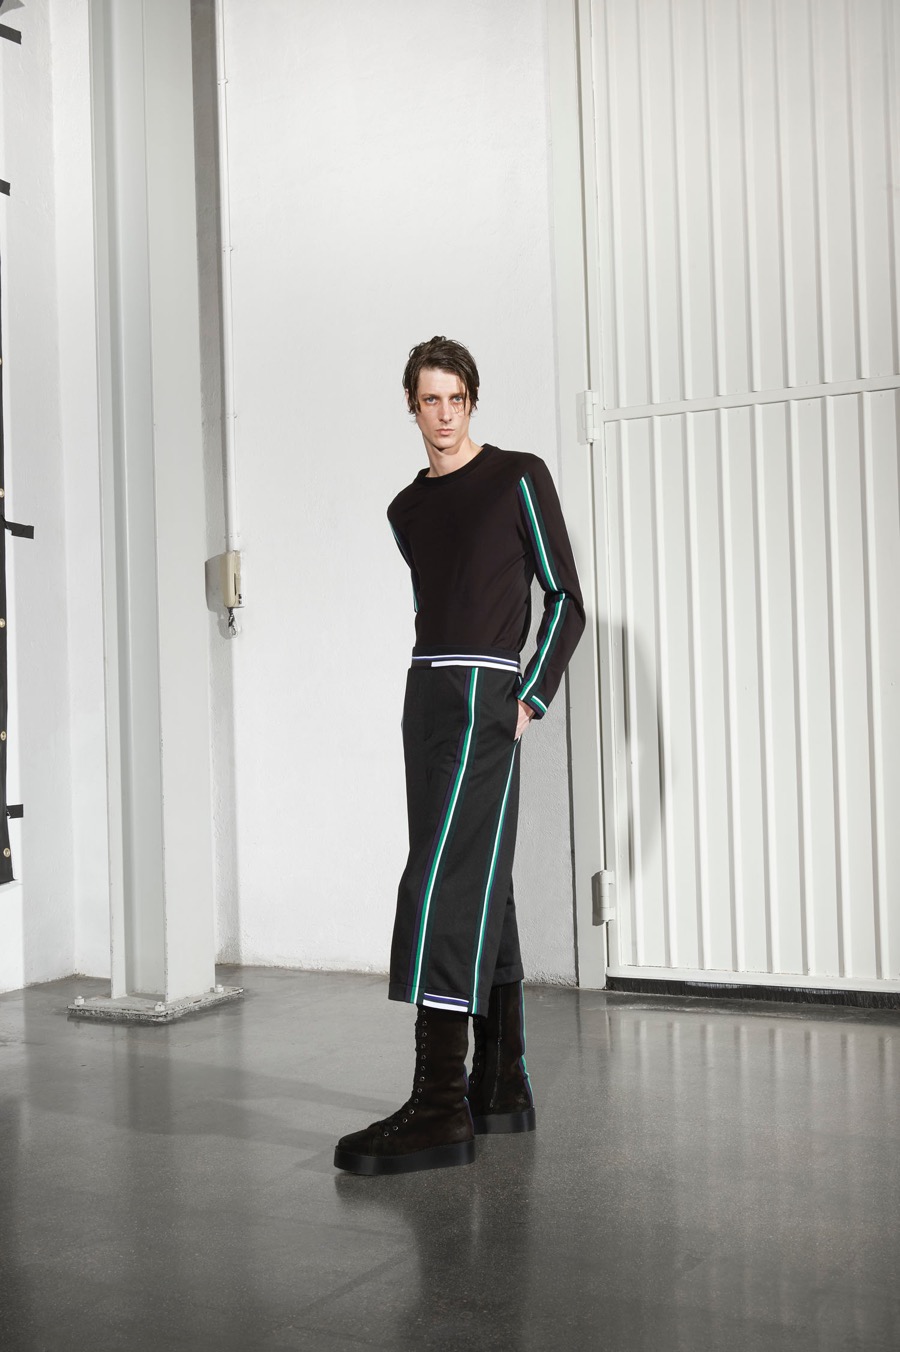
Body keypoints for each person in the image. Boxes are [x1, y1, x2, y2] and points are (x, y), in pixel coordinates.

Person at [334, 336, 585, 1176]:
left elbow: (566, 600)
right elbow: (431, 604)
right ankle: (502, 1084)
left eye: (456, 399)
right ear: (412, 407)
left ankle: (440, 1105)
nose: (444, 415)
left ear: (472, 401)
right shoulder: (406, 509)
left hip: (485, 694)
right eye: (429, 401)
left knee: (439, 880)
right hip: (427, 696)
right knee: (478, 877)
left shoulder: (518, 476)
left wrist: (530, 696)